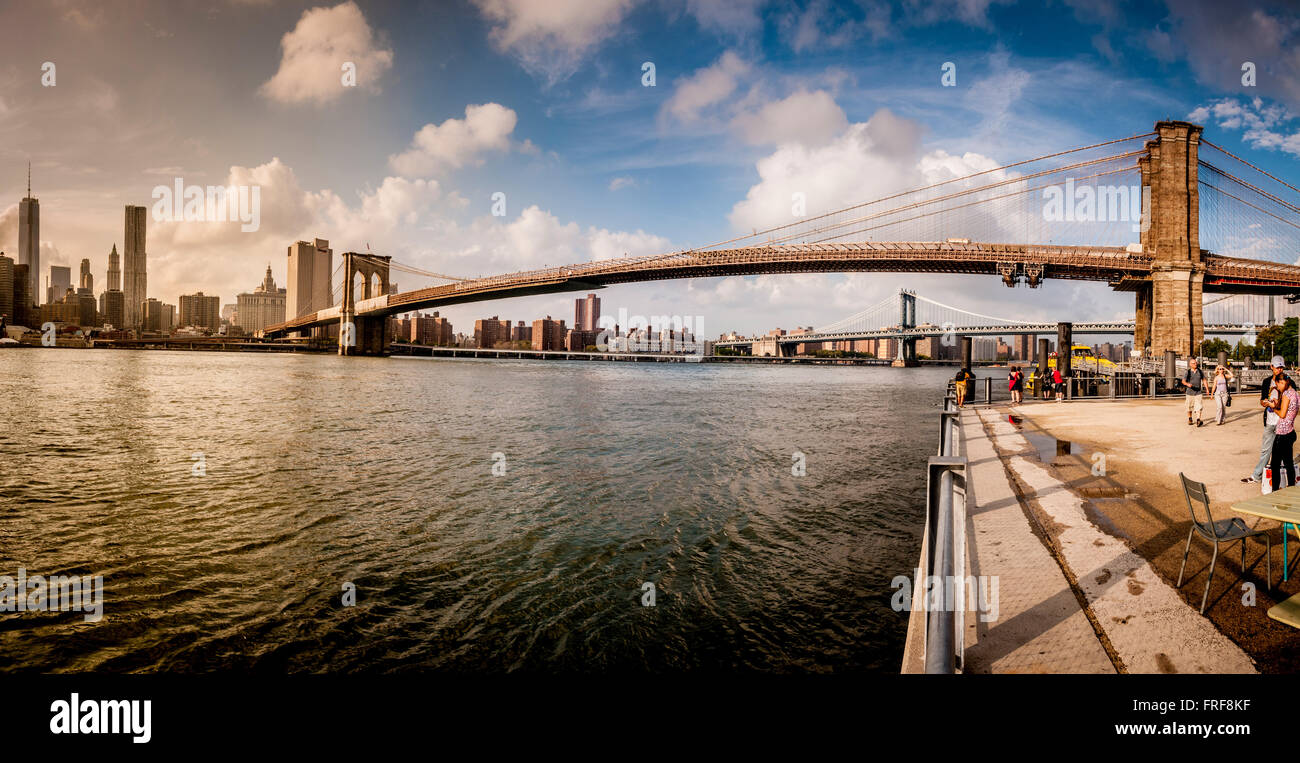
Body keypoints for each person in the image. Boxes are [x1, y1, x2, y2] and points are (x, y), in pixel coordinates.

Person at [1244, 356, 1292, 484]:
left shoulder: (1288, 381)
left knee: (1281, 452)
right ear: (1271, 367)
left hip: (1282, 422)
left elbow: (1291, 401)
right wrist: (1264, 403)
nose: (1280, 370)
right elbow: (1262, 399)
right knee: (1266, 450)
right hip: (1269, 421)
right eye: (1277, 367)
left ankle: (1284, 478)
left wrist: (1276, 405)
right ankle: (1257, 476)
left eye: (1281, 367)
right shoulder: (1266, 382)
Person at [1268, 375, 1300, 492]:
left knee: (1275, 465)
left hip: (1282, 433)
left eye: (1280, 384)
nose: (1279, 387)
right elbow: (1291, 411)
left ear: (1286, 382)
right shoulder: (1295, 394)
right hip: (1290, 431)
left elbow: (1282, 414)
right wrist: (1278, 404)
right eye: (1277, 384)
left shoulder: (1287, 394)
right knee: (1288, 464)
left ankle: (1275, 492)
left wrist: (1272, 407)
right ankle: (1291, 489)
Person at [1180, 357, 1210, 426]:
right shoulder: (1187, 372)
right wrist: (1187, 384)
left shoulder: (1200, 371)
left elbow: (1204, 380)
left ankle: (1198, 420)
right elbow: (1183, 381)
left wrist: (1207, 389)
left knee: (1199, 407)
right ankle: (1190, 418)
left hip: (1198, 392)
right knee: (1189, 407)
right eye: (1193, 363)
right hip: (1189, 393)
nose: (1195, 364)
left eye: (1196, 363)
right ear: (1190, 364)